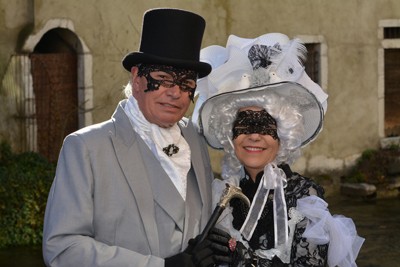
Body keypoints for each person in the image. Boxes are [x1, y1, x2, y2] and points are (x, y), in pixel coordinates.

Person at [43, 8, 234, 267]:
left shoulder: (195, 138)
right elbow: (62, 249)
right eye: (163, 79)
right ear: (136, 78)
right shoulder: (86, 147)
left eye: (186, 83)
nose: (175, 93)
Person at [194, 33, 364, 266]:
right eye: (244, 124)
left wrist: (246, 260)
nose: (254, 135)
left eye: (266, 125)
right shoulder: (218, 197)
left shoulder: (305, 199)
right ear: (230, 133)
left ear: (283, 136)